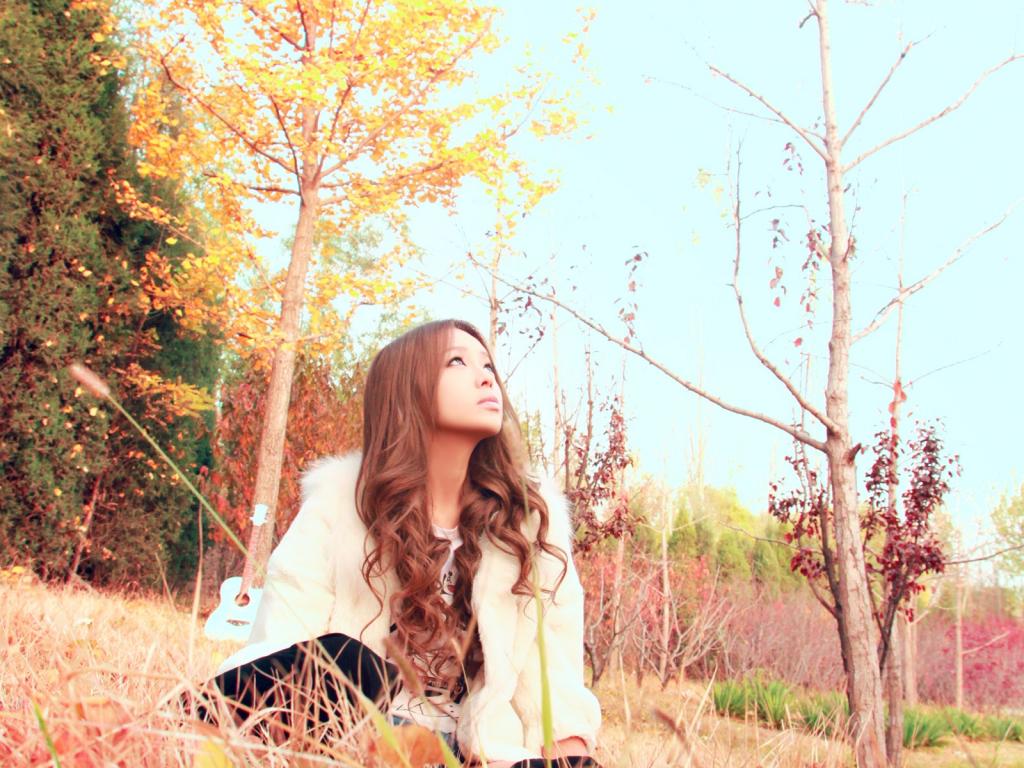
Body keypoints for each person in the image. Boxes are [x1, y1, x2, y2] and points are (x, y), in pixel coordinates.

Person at [207, 319, 602, 766]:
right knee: (347, 661)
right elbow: (282, 640)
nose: (485, 377)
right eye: (457, 361)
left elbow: (552, 674)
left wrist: (570, 755)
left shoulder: (525, 523)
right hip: (352, 732)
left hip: (469, 747)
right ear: (407, 389)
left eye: (488, 364)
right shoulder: (340, 505)